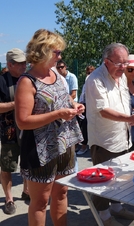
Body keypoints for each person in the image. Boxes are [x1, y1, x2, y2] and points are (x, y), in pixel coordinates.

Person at [14, 29, 84, 226]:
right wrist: (58, 114)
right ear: (43, 51)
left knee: (61, 193)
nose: (60, 56)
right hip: (40, 149)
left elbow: (64, 101)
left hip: (64, 143)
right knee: (40, 201)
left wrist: (74, 106)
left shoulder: (55, 74)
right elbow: (23, 121)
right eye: (57, 52)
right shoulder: (27, 81)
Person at [85, 43, 134, 226]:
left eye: (125, 63)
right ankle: (104, 217)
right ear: (106, 61)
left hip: (122, 137)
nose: (123, 67)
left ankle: (117, 209)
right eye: (119, 63)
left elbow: (124, 103)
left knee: (120, 176)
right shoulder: (95, 79)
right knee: (103, 179)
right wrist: (129, 118)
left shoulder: (122, 77)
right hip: (104, 140)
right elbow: (104, 111)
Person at [0, 48, 29, 215]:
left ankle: (27, 191)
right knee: (7, 166)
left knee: (28, 164)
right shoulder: (2, 81)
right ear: (10, 64)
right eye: (20, 63)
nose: (24, 66)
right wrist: (17, 103)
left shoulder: (29, 78)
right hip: (9, 132)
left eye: (25, 62)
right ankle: (9, 199)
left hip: (28, 130)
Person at [77, 65, 96, 155]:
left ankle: (85, 146)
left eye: (92, 72)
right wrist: (80, 103)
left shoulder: (96, 81)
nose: (89, 74)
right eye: (88, 72)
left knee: (86, 124)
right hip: (85, 105)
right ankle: (81, 144)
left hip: (93, 106)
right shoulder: (86, 82)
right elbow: (82, 95)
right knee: (82, 124)